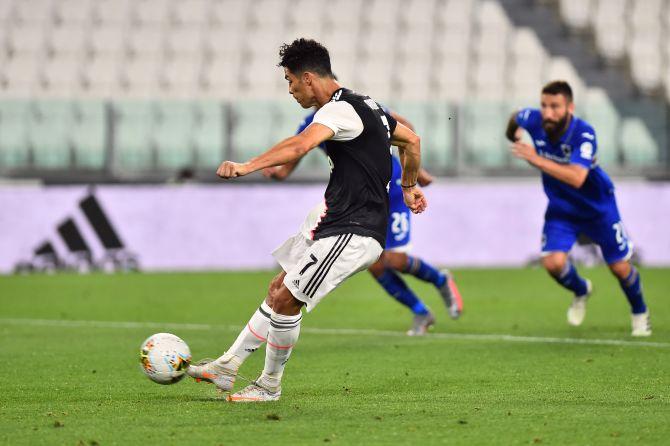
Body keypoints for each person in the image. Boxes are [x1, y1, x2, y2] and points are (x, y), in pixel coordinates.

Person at [187, 38, 427, 402]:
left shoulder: (337, 110)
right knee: (277, 289)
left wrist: (246, 166)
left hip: (354, 229)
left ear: (309, 78)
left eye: (290, 81)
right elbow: (411, 141)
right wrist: (408, 187)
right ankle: (227, 366)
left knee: (287, 300)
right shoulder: (368, 106)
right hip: (333, 220)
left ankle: (268, 385)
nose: (290, 90)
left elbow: (299, 146)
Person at [264, 109, 463, 336]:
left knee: (394, 260)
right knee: (376, 263)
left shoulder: (356, 105)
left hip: (393, 186)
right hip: (360, 196)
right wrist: (273, 171)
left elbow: (405, 127)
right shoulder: (311, 123)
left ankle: (440, 279)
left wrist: (415, 169)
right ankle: (421, 311)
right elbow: (288, 165)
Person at [505, 80, 651, 337]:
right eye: (544, 105)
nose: (548, 113)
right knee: (552, 263)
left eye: (555, 107)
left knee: (619, 267)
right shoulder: (534, 118)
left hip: (598, 207)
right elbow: (516, 116)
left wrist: (535, 158)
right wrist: (512, 135)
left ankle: (640, 312)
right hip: (562, 209)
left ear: (569, 107)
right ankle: (582, 289)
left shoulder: (583, 133)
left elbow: (577, 177)